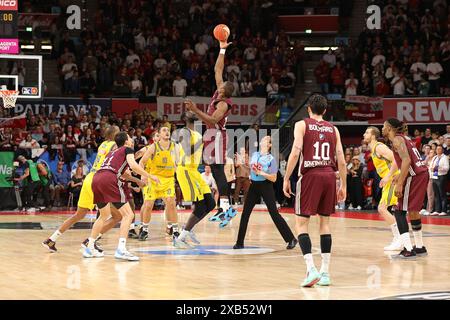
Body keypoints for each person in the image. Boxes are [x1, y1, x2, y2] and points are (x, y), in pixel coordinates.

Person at [283, 94, 347, 287]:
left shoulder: (302, 125)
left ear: (308, 108)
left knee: (301, 224)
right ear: (325, 110)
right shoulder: (333, 129)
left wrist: (286, 178)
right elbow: (341, 159)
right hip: (329, 175)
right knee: (324, 224)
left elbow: (295, 152)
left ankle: (311, 270)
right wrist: (342, 184)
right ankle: (325, 273)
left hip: (310, 175)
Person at [184, 37, 238, 227]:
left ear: (225, 92)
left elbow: (213, 120)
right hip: (211, 135)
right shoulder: (219, 93)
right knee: (216, 171)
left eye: (221, 87)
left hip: (217, 135)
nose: (219, 85)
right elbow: (218, 70)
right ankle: (224, 207)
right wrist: (222, 50)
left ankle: (225, 207)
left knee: (218, 170)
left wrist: (195, 109)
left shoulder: (223, 103)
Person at [42, 126, 123, 252]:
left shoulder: (103, 144)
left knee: (78, 215)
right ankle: (90, 241)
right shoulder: (114, 145)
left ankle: (51, 239)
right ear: (115, 135)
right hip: (99, 180)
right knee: (116, 216)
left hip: (89, 178)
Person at [83, 132, 157, 261]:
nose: (131, 139)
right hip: (109, 179)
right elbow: (133, 165)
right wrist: (150, 176)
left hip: (97, 178)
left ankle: (90, 247)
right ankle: (121, 249)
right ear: (126, 142)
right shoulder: (127, 149)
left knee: (104, 215)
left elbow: (124, 173)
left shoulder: (112, 153)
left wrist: (137, 181)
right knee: (128, 215)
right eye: (129, 137)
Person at [234, 136, 297, 250]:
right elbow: (250, 166)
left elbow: (273, 178)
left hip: (266, 186)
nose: (262, 140)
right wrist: (242, 161)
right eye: (262, 139)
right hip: (254, 186)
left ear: (269, 145)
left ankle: (291, 238)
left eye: (266, 140)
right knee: (245, 213)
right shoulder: (255, 155)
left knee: (274, 214)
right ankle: (239, 242)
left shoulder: (271, 159)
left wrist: (261, 173)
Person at [382, 118, 429, 259]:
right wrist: (399, 176)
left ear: (390, 128)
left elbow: (407, 160)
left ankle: (408, 249)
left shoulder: (397, 139)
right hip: (421, 173)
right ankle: (420, 247)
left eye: (384, 126)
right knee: (413, 211)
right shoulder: (404, 138)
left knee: (399, 210)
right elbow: (407, 161)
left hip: (415, 176)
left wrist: (400, 183)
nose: (382, 129)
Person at [173, 111, 216, 247]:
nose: (192, 112)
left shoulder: (197, 133)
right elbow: (187, 150)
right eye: (189, 112)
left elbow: (197, 154)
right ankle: (180, 238)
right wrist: (202, 141)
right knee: (200, 205)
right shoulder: (183, 132)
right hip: (185, 170)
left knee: (211, 204)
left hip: (194, 170)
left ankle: (188, 229)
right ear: (185, 118)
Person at [137, 126, 180, 244]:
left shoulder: (175, 146)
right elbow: (141, 162)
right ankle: (144, 229)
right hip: (154, 179)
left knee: (171, 202)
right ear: (159, 135)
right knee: (148, 204)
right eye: (164, 130)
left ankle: (175, 230)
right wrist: (143, 175)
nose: (167, 132)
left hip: (168, 179)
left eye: (168, 130)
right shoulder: (153, 147)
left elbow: (179, 163)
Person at [363, 127, 402, 251]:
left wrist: (388, 176)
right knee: (393, 210)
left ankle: (399, 239)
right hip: (389, 180)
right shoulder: (373, 149)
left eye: (367, 132)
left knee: (382, 208)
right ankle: (400, 239)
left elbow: (396, 159)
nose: (364, 134)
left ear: (373, 136)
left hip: (393, 179)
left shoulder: (379, 147)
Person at [429, 145, 449, 216]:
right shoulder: (434, 157)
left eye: (439, 149)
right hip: (434, 177)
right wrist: (432, 169)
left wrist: (437, 168)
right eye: (437, 149)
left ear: (442, 150)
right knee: (436, 194)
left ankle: (444, 210)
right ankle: (437, 210)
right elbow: (431, 166)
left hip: (441, 177)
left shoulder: (445, 158)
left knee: (442, 194)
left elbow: (447, 168)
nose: (438, 150)